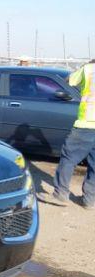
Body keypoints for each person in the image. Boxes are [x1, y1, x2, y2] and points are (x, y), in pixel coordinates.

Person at [39, 59, 95, 209]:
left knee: (68, 158)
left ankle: (60, 194)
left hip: (86, 124)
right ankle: (90, 200)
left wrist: (85, 66)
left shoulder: (88, 69)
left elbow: (68, 80)